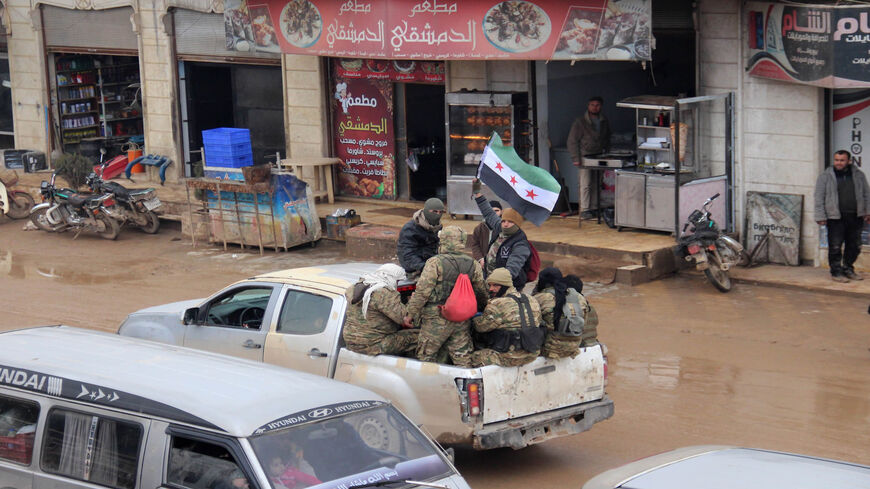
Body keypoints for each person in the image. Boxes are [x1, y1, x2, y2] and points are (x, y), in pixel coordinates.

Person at [406, 225, 488, 366]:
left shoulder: (435, 263)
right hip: (461, 318)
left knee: (426, 357)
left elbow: (422, 292)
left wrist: (410, 314)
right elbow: (481, 291)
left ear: (443, 240)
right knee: (463, 358)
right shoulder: (473, 264)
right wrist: (483, 307)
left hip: (436, 318)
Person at [814, 149, 870, 282]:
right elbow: (819, 197)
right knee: (835, 246)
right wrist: (820, 216)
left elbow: (867, 195)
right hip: (835, 217)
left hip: (855, 216)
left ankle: (848, 269)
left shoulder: (858, 175)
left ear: (849, 161)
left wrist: (867, 211)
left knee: (854, 245)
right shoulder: (825, 176)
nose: (838, 163)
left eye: (842, 160)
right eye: (836, 160)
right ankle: (836, 272)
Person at [471, 268, 543, 367]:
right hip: (531, 354)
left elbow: (481, 327)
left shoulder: (497, 303)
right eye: (490, 285)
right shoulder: (531, 300)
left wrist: (472, 318)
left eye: (495, 285)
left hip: (508, 357)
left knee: (472, 357)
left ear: (505, 286)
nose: (491, 289)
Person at [342, 263, 418, 356]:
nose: (397, 285)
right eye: (397, 281)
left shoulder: (355, 288)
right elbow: (406, 319)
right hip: (373, 345)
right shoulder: (383, 293)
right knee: (422, 336)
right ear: (391, 278)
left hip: (352, 343)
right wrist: (413, 301)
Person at [472, 181, 531, 290]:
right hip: (491, 282)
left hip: (507, 287)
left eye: (510, 221)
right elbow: (488, 212)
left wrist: (495, 284)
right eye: (503, 221)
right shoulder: (499, 228)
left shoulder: (520, 244)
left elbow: (511, 270)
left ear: (517, 224)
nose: (506, 224)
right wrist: (477, 193)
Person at [533, 267, 594, 359]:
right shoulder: (579, 298)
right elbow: (583, 325)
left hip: (549, 350)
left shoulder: (540, 298)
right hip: (573, 348)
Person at [567, 95, 612, 219]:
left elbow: (607, 138)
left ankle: (594, 207)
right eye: (592, 105)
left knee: (597, 183)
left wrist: (607, 153)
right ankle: (585, 209)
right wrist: (576, 158)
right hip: (584, 156)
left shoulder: (604, 121)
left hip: (599, 156)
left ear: (601, 106)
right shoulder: (580, 122)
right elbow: (572, 141)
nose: (595, 107)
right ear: (588, 106)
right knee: (585, 183)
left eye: (597, 105)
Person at [397, 197, 445, 275]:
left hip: (433, 267)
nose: (438, 214)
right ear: (426, 211)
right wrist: (425, 267)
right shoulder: (410, 229)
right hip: (415, 270)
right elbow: (407, 255)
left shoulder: (438, 227)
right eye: (434, 211)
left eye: (440, 212)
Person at [471, 200, 502, 266]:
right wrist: (480, 259)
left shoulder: (504, 228)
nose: (494, 213)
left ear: (501, 212)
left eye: (497, 210)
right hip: (482, 263)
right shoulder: (479, 228)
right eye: (491, 211)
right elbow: (474, 244)